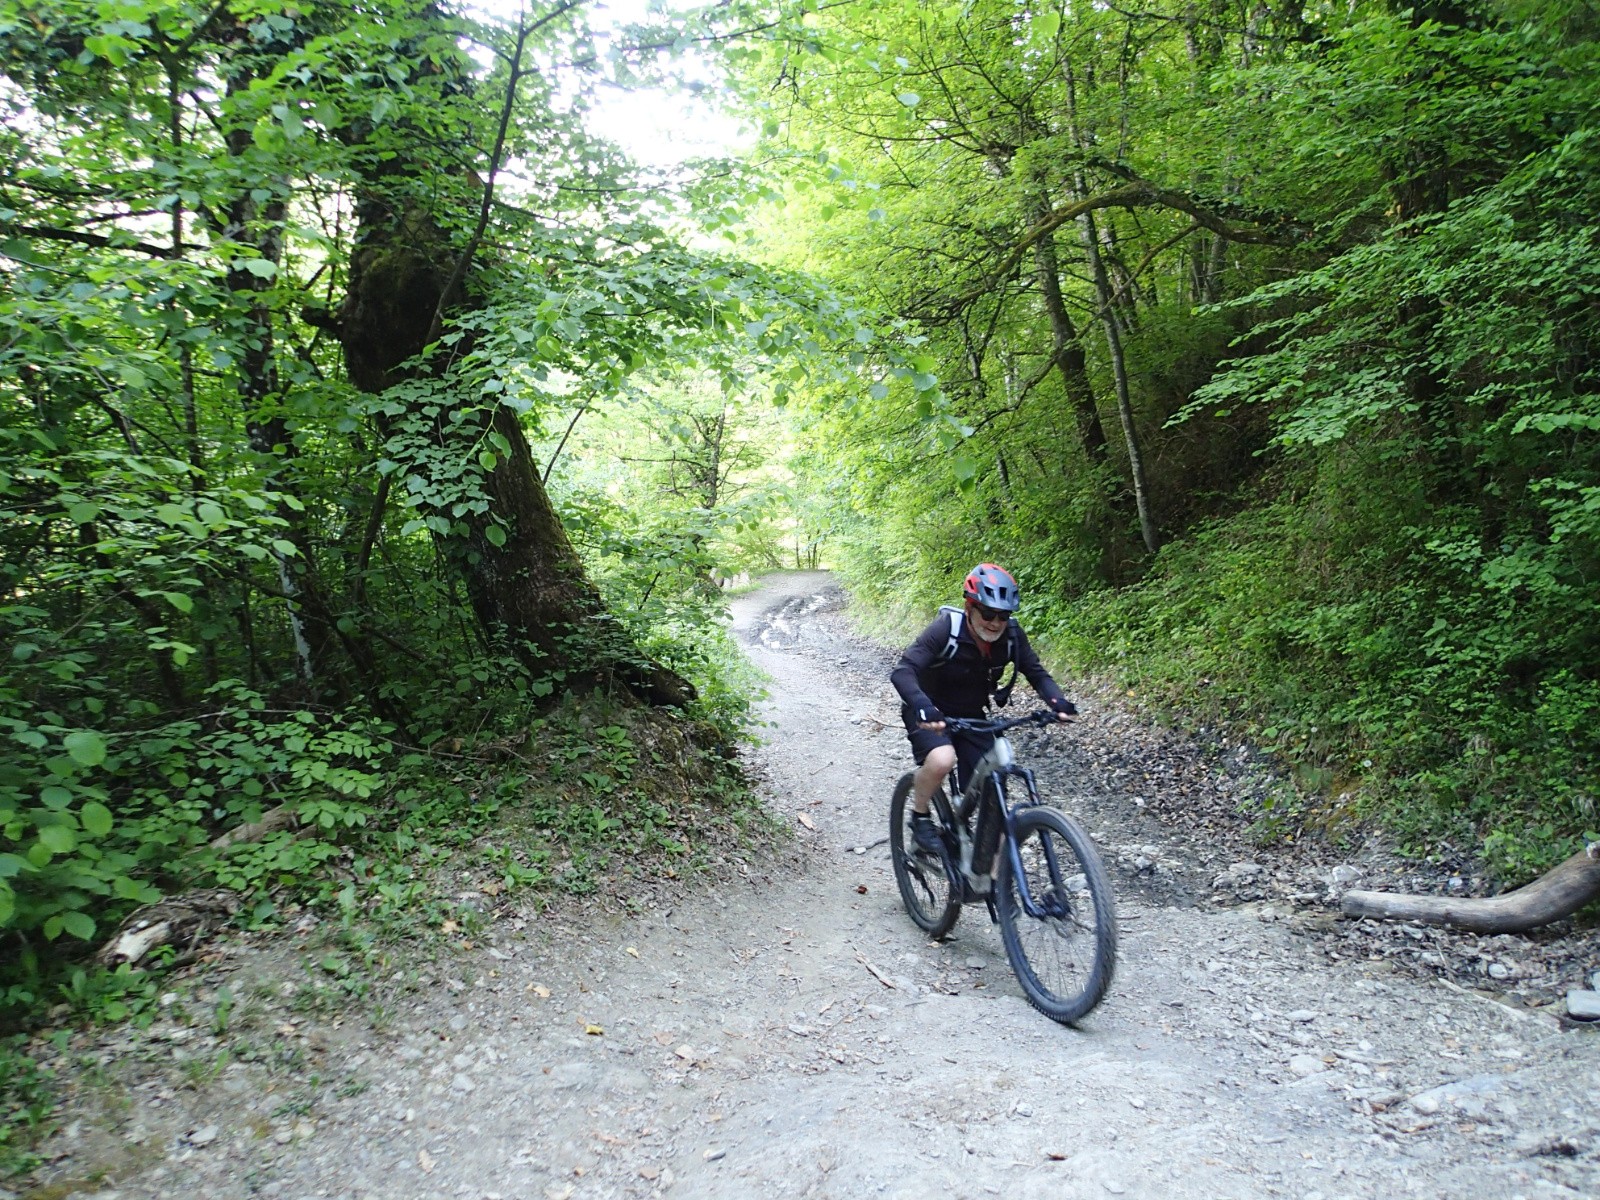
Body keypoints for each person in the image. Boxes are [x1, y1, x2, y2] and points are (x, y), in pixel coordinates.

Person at [889, 563, 1076, 853]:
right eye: (988, 613)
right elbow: (903, 671)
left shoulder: (1012, 637)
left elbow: (1037, 673)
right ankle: (921, 818)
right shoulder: (945, 630)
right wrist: (923, 707)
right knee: (941, 759)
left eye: (1003, 616)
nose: (995, 622)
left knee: (994, 786)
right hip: (928, 710)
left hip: (972, 716)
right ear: (970, 607)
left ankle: (994, 886)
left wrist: (1057, 702)